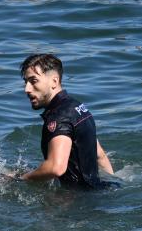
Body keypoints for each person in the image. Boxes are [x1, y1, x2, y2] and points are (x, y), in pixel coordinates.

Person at [18, 53, 116, 189]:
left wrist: (22, 178)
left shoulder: (59, 117)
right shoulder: (77, 107)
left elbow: (56, 168)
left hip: (77, 197)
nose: (27, 89)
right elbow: (100, 156)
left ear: (54, 81)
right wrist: (112, 183)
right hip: (98, 190)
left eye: (33, 81)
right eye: (26, 82)